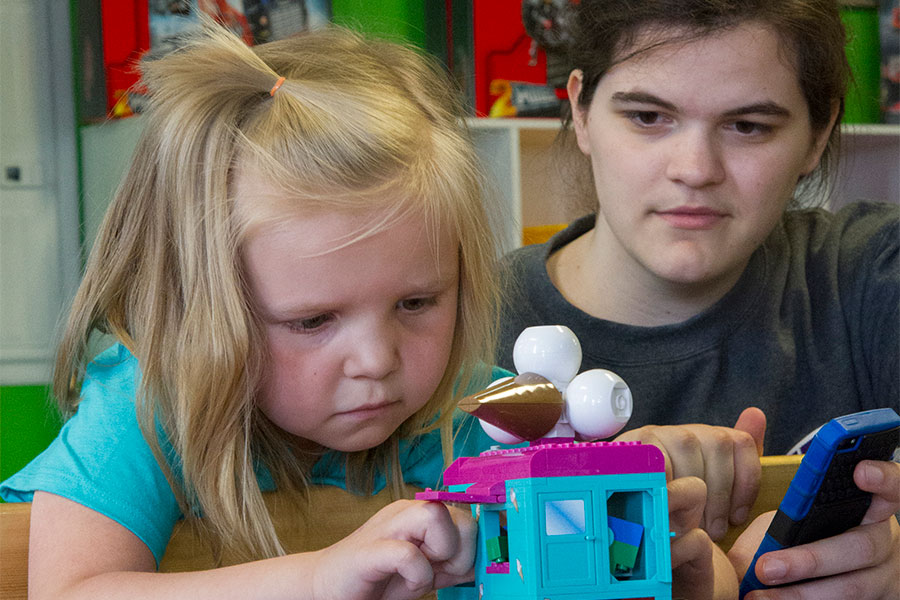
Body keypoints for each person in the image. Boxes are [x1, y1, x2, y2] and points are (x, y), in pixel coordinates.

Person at [0, 19, 734, 600]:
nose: (378, 360)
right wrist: (319, 578)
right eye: (312, 321)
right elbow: (69, 590)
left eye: (417, 302)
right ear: (203, 312)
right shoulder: (146, 411)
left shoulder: (486, 414)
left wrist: (690, 580)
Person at [496, 0, 900, 597]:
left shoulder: (870, 273)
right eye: (648, 116)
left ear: (817, 134)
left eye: (748, 126)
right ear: (581, 109)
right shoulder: (448, 321)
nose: (694, 169)